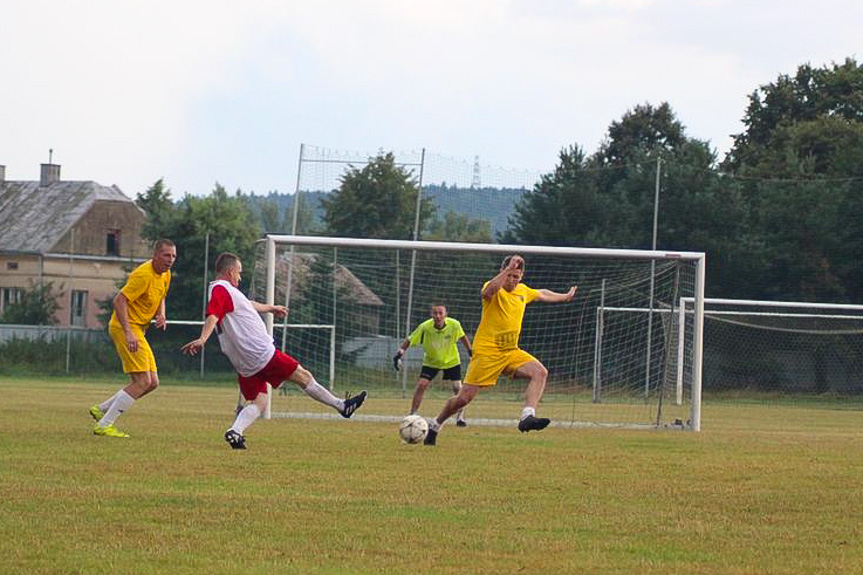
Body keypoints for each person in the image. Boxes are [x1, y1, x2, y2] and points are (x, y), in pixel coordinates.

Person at [181, 252, 367, 450]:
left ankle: (235, 431)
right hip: (260, 353)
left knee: (259, 402)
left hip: (244, 363)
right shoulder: (221, 290)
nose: (240, 277)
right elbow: (213, 315)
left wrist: (270, 308)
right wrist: (203, 339)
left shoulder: (225, 292)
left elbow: (246, 305)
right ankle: (342, 406)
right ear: (230, 271)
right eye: (239, 273)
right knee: (304, 377)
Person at [424, 254, 576, 446]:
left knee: (540, 372)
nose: (512, 280)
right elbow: (487, 292)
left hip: (511, 351)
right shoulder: (494, 287)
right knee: (464, 399)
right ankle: (436, 424)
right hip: (487, 353)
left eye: (516, 276)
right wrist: (506, 270)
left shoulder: (523, 291)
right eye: (510, 275)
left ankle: (527, 417)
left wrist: (565, 296)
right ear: (503, 273)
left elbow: (542, 293)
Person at [90, 239, 177, 438]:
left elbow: (161, 295)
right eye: (166, 255)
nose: (170, 260)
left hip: (138, 329)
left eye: (173, 256)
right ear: (155, 255)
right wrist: (129, 332)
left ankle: (101, 410)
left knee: (153, 382)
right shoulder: (143, 275)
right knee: (142, 381)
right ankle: (104, 424)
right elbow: (119, 300)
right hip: (125, 328)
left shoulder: (166, 274)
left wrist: (161, 314)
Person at [393, 304, 473, 426]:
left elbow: (463, 338)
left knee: (458, 388)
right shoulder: (425, 327)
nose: (438, 316)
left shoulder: (454, 325)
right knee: (422, 385)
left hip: (451, 360)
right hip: (431, 361)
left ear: (446, 314)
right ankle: (413, 414)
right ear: (431, 315)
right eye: (435, 313)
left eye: (441, 313)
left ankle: (460, 417)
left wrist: (470, 353)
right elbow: (410, 339)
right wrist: (399, 354)